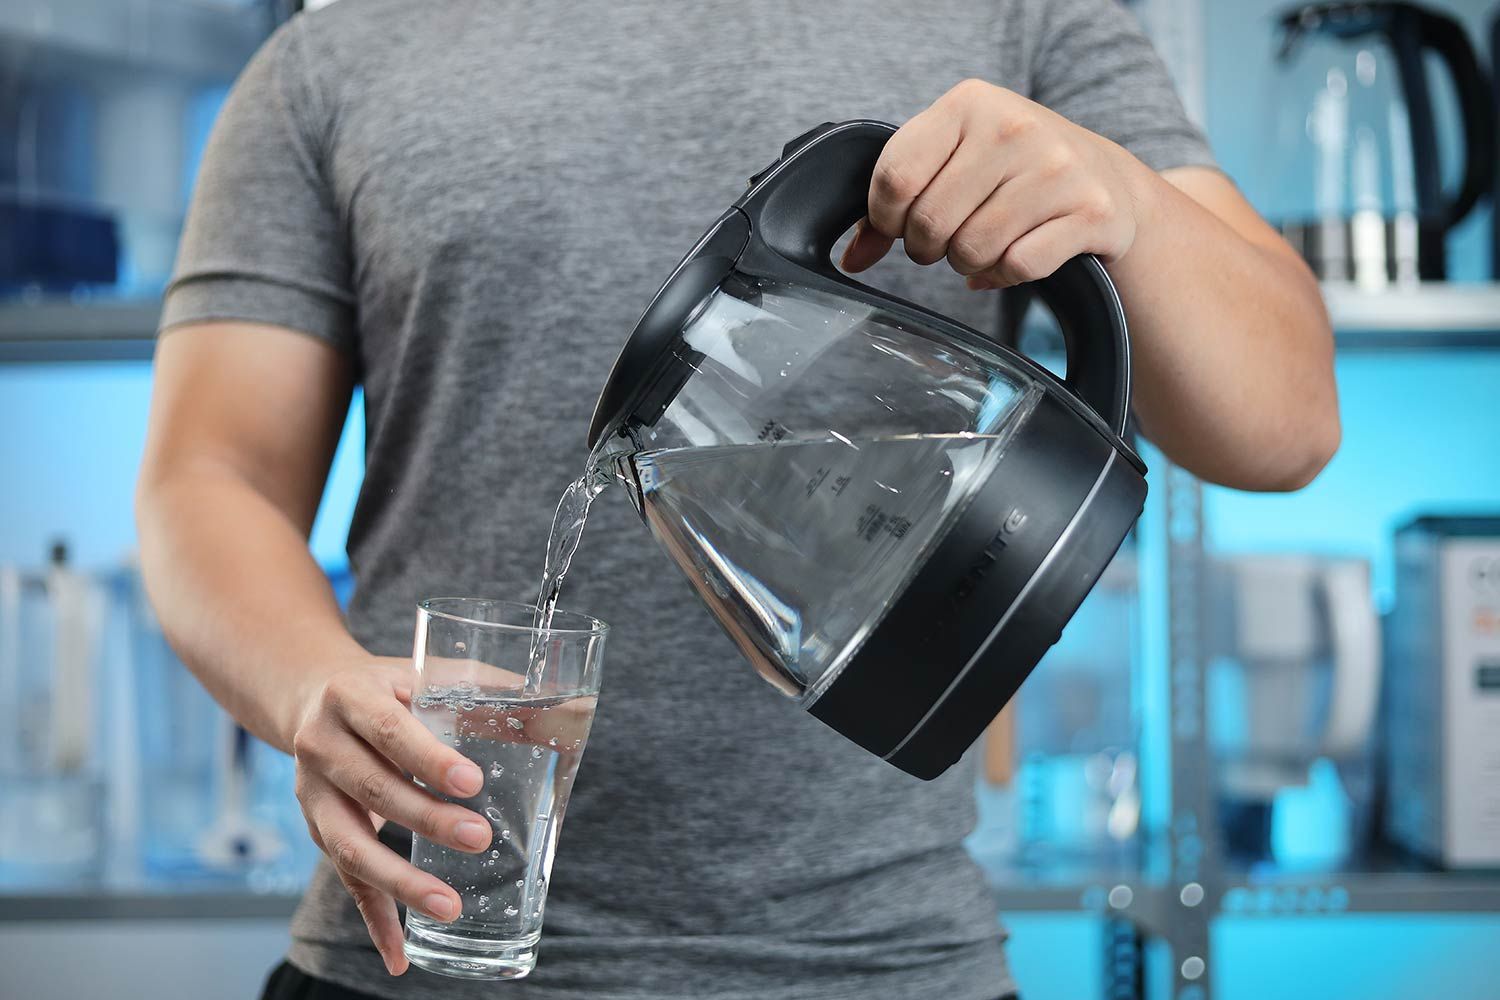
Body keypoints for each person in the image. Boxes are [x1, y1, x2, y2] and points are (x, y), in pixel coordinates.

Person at [136, 1, 1338, 998]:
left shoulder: (1019, 15)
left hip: (883, 960)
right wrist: (307, 679)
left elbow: (1286, 423)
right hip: (408, 953)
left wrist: (1121, 196)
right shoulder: (330, 60)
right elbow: (207, 478)